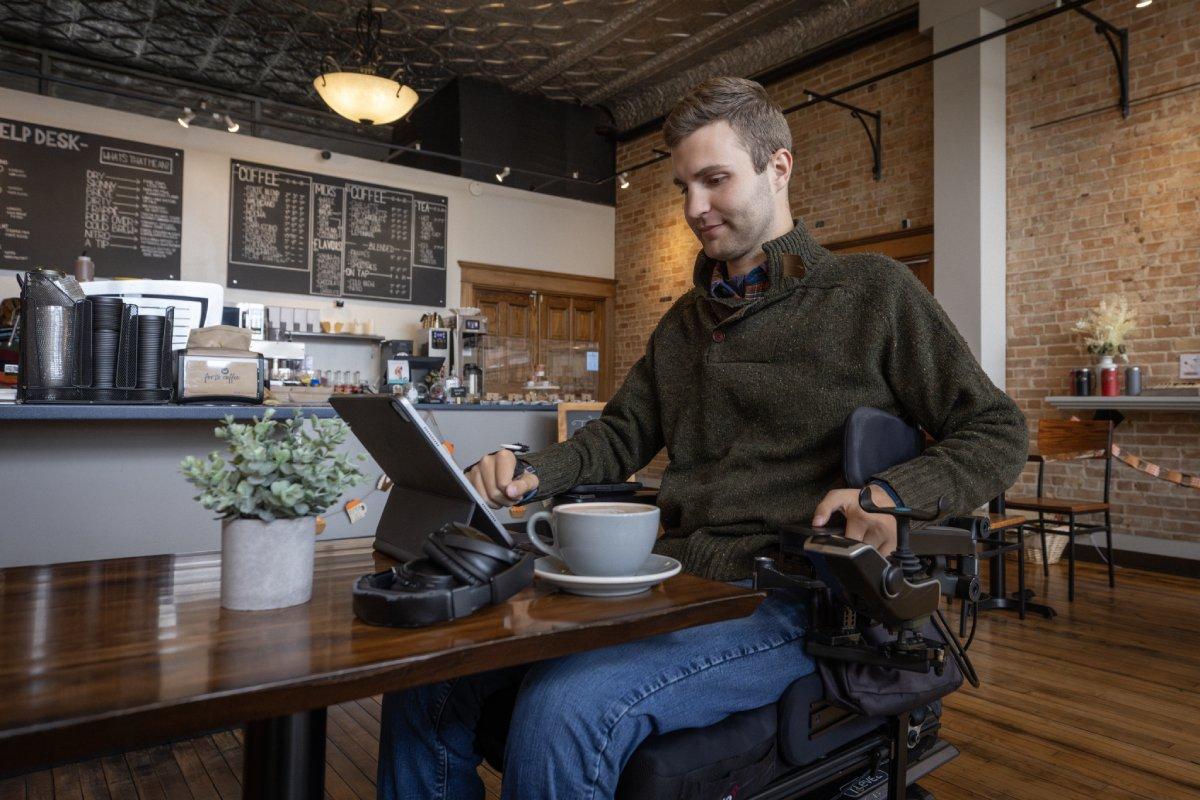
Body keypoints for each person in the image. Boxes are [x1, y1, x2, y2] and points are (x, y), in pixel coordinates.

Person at [377, 76, 1027, 800]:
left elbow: (998, 430)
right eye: (684, 185)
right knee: (427, 680)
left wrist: (889, 495)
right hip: (675, 578)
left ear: (778, 166)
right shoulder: (684, 323)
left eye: (715, 180)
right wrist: (531, 471)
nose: (694, 208)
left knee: (565, 708)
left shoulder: (872, 294)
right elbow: (620, 435)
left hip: (788, 598)